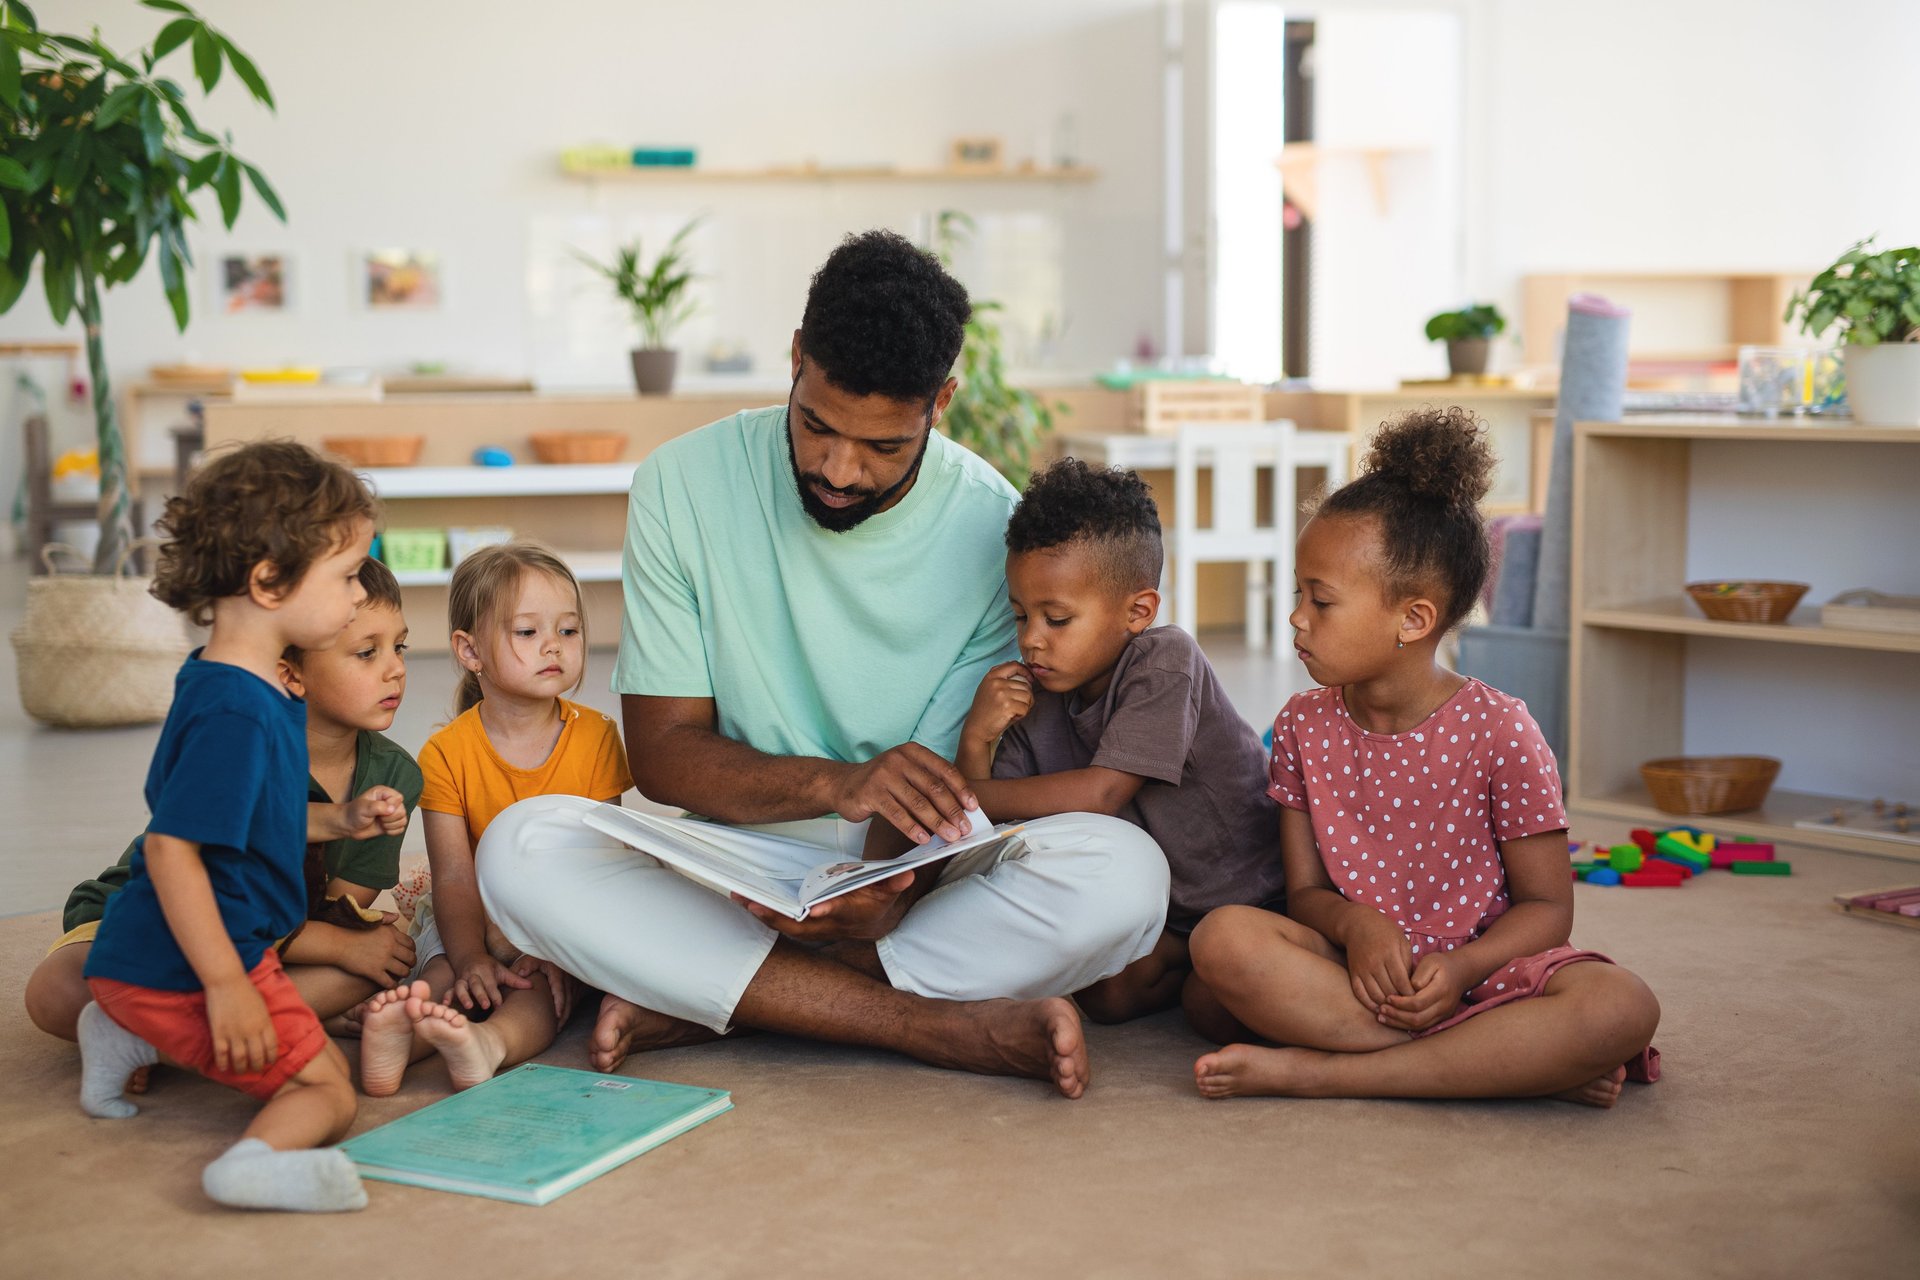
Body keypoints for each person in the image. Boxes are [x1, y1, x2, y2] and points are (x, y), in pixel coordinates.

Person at [475, 230, 1168, 1099]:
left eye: (883, 447)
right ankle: (923, 1023)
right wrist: (841, 784)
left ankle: (711, 999)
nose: (840, 471)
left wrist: (891, 893)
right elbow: (663, 753)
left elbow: (952, 783)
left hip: (905, 870)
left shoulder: (993, 527)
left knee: (1126, 872)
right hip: (726, 864)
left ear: (941, 402)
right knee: (519, 848)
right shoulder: (681, 484)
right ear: (796, 360)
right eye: (817, 426)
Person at [1185, 407, 1662, 1105]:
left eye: (1321, 601)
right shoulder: (1300, 726)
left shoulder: (1504, 731)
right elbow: (1306, 893)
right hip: (1357, 971)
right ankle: (1508, 1060)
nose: (1296, 617)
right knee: (1219, 949)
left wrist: (1463, 968)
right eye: (1299, 594)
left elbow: (1547, 908)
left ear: (1413, 619)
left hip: (1486, 972)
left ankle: (1322, 1073)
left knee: (1622, 1006)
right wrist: (1359, 927)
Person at [75, 440, 376, 1212]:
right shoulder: (238, 713)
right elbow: (173, 847)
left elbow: (251, 820)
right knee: (329, 1092)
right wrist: (226, 988)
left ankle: (121, 1032)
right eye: (346, 578)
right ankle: (246, 1166)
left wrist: (338, 819)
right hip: (197, 958)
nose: (356, 597)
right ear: (269, 581)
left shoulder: (236, 680)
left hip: (181, 949)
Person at [25, 559, 421, 1068]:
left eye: (399, 646)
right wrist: (342, 949)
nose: (396, 668)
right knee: (54, 990)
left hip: (273, 939)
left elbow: (334, 914)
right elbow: (203, 898)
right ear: (291, 673)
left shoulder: (396, 778)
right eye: (367, 653)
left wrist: (350, 950)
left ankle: (159, 1040)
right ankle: (208, 1033)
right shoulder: (239, 745)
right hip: (160, 923)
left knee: (379, 960)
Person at [954, 459, 1280, 1024]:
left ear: (1138, 612)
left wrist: (960, 795)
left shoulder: (1165, 661)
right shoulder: (1037, 695)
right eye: (1020, 615)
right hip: (1157, 914)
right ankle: (1184, 965)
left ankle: (1203, 968)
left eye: (1057, 620)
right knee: (1107, 997)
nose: (1031, 640)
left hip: (1252, 900)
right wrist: (977, 735)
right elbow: (990, 833)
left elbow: (1101, 793)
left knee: (1218, 1006)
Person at [354, 541, 630, 1097]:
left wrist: (552, 945)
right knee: (444, 976)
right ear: (470, 650)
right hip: (472, 913)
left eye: (568, 631)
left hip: (562, 916)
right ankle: (401, 1038)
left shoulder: (598, 736)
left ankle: (489, 1045)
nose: (553, 645)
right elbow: (454, 876)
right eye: (527, 632)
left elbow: (608, 864)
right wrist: (472, 955)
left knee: (537, 992)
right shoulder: (445, 753)